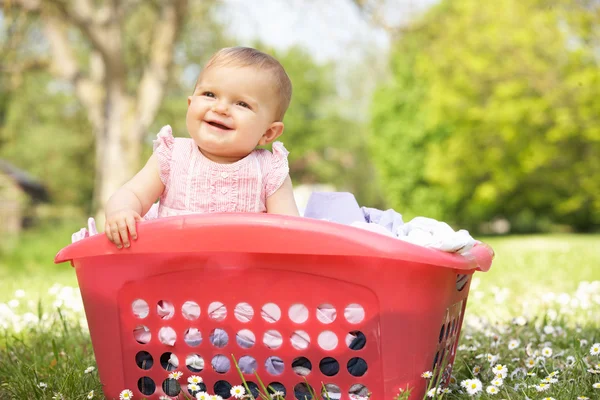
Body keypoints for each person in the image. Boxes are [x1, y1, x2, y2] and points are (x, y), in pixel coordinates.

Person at [104, 47, 299, 248]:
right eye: (210, 94)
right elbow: (133, 193)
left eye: (242, 104)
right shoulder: (172, 156)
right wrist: (122, 211)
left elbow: (290, 230)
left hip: (242, 273)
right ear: (191, 104)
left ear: (268, 133)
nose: (220, 108)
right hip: (171, 268)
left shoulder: (270, 171)